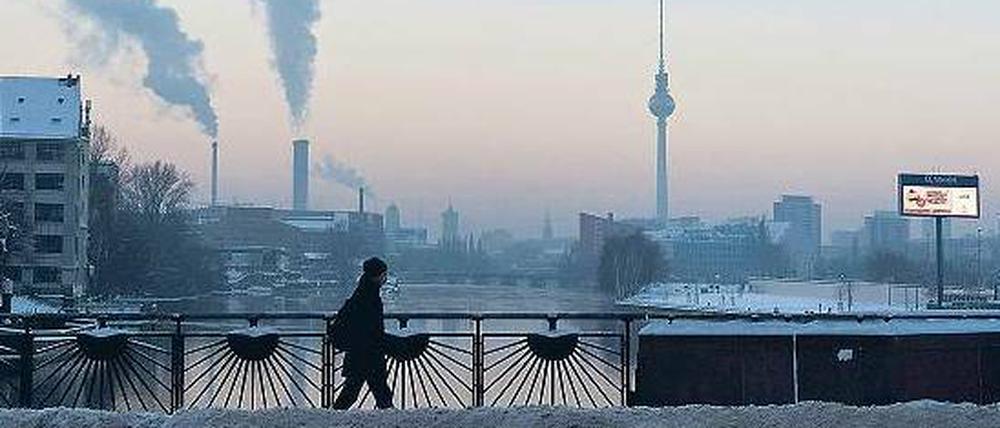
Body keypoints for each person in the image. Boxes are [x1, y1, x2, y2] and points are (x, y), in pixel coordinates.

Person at [332, 257, 394, 409]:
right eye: (383, 274)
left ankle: (332, 418)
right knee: (378, 393)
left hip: (359, 353)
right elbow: (372, 327)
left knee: (353, 392)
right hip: (368, 353)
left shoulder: (361, 293)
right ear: (377, 275)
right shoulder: (370, 296)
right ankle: (331, 419)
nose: (385, 278)